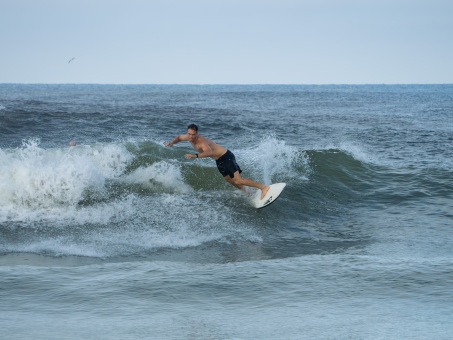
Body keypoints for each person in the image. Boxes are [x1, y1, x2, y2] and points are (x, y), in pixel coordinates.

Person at [165, 124, 270, 200]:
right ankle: (248, 193)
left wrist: (195, 155)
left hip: (226, 156)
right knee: (229, 180)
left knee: (237, 180)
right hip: (219, 160)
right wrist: (171, 143)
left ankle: (263, 187)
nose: (191, 137)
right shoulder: (187, 137)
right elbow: (179, 137)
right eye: (189, 134)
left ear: (197, 134)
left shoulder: (201, 141)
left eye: (193, 135)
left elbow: (208, 152)